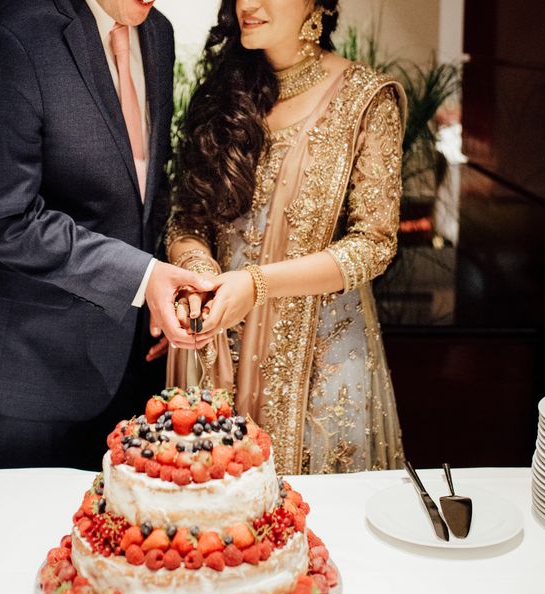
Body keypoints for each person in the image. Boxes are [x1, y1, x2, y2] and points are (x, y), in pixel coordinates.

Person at [0, 0, 214, 469]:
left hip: (129, 361)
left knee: (118, 534)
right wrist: (142, 277)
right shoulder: (10, 37)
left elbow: (145, 190)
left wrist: (160, 296)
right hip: (29, 372)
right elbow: (5, 221)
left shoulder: (157, 33)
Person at [166, 0, 407, 476]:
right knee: (215, 537)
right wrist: (198, 272)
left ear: (316, 4)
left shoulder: (365, 99)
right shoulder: (225, 91)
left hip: (322, 364)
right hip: (216, 350)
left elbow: (375, 243)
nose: (247, 5)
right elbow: (185, 219)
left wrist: (256, 284)